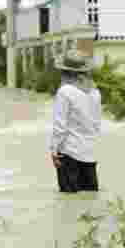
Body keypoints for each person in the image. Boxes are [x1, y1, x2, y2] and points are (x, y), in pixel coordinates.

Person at [48, 49, 102, 193]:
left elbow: (60, 126)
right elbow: (96, 124)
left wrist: (54, 150)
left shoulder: (65, 91)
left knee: (69, 204)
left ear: (65, 72)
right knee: (89, 201)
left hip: (68, 154)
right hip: (90, 154)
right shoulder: (95, 92)